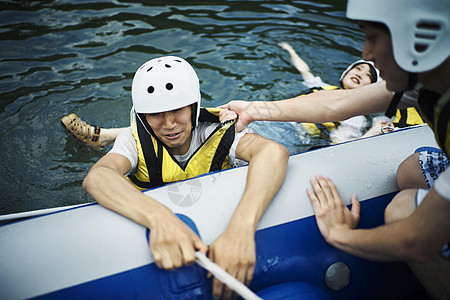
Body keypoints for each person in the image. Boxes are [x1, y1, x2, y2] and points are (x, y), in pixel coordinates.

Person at [222, 0, 450, 298]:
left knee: (400, 211)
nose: (366, 54)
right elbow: (335, 103)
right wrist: (255, 109)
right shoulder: (425, 82)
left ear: (420, 38)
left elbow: (417, 239)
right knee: (409, 171)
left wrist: (340, 234)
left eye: (373, 38)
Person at [81, 56, 289, 299]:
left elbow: (272, 152)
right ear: (143, 116)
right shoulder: (132, 140)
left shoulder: (216, 131)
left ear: (193, 107)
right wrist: (160, 218)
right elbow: (97, 177)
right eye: (156, 114)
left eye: (177, 110)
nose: (169, 124)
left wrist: (241, 229)